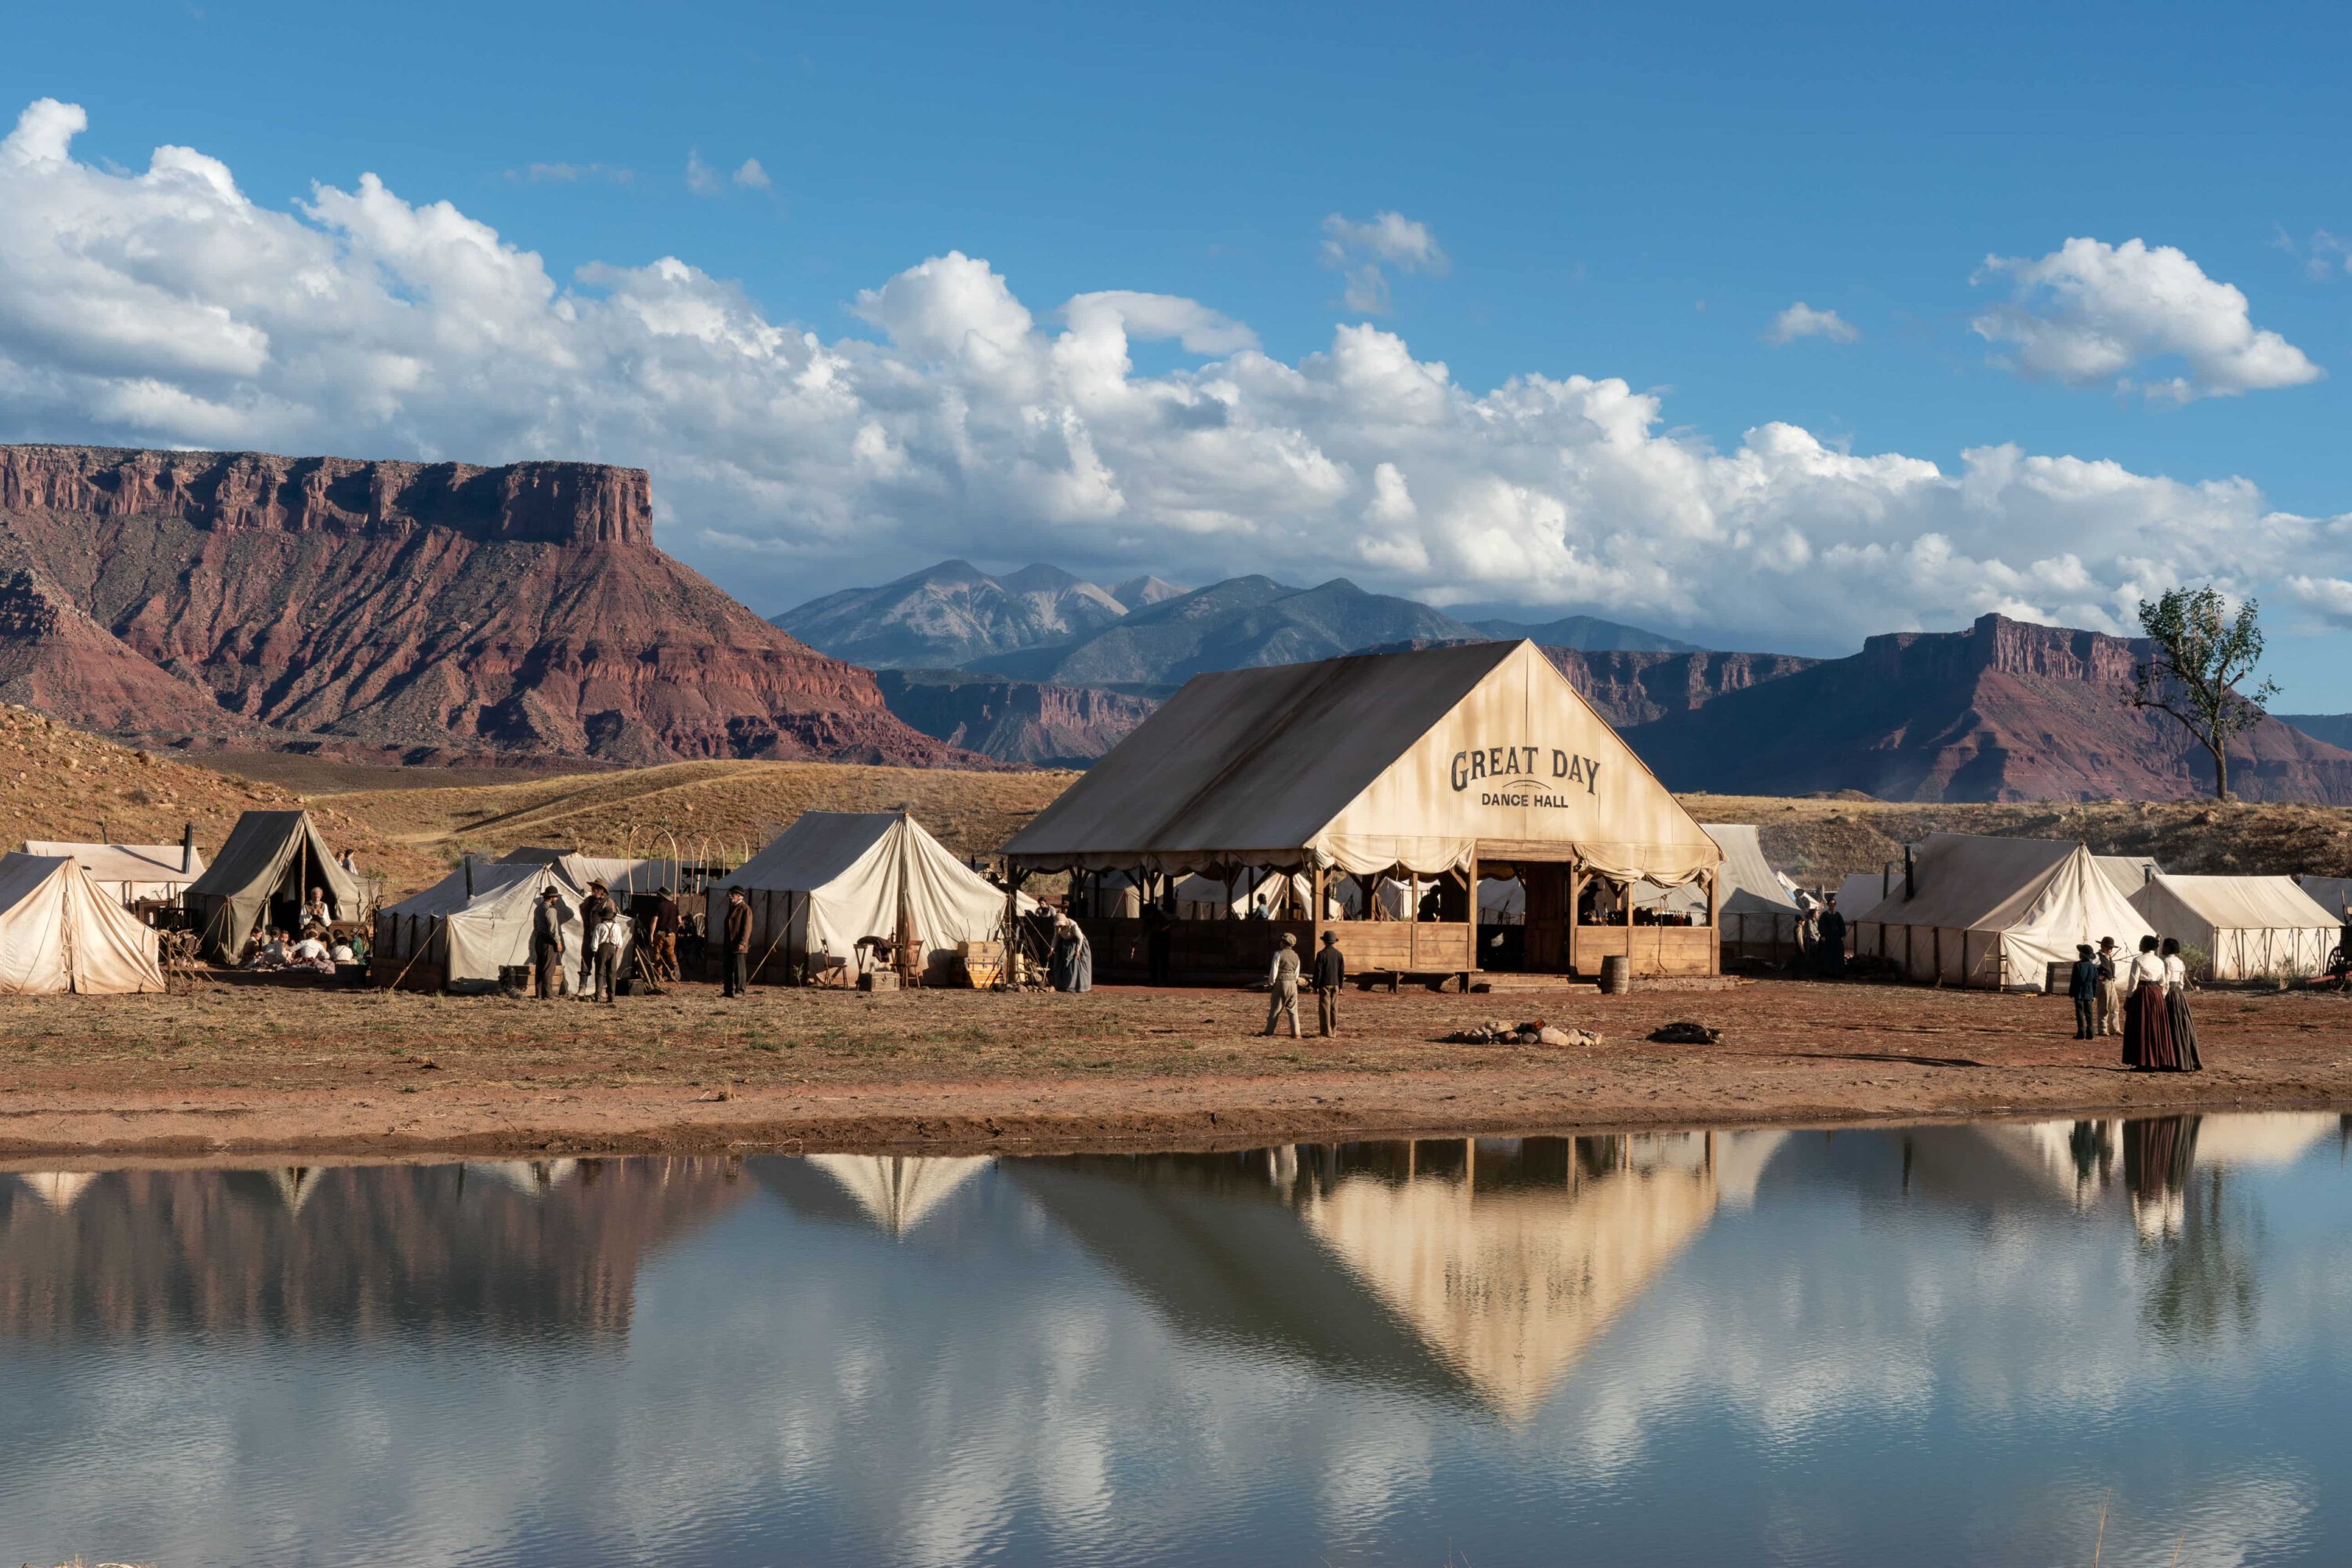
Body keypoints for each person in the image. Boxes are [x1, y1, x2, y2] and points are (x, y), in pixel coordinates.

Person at [2122, 935, 2176, 1070]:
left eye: (2141, 943)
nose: (2139, 945)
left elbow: (2133, 983)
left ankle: (2143, 1061)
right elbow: (2164, 983)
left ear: (2145, 946)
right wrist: (2160, 996)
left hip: (2142, 994)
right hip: (2156, 993)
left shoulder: (2138, 960)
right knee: (2155, 1027)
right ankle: (2157, 1060)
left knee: (2141, 1026)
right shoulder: (2159, 961)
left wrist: (2128, 999)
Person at [2161, 937, 2203, 1071]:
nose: (2162, 948)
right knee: (2182, 1024)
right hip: (2179, 994)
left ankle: (2172, 1059)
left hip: (2169, 994)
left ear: (2168, 948)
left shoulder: (2166, 961)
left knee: (2170, 1025)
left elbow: (2165, 982)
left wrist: (2162, 997)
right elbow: (2181, 982)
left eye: (2164, 946)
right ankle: (2185, 1058)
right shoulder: (2179, 962)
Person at [577, 880, 616, 998]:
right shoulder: (588, 900)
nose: (594, 891)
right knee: (585, 960)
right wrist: (586, 923)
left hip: (602, 937)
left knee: (602, 963)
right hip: (589, 935)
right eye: (593, 888)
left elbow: (612, 919)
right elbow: (582, 909)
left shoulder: (609, 902)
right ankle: (582, 988)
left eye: (596, 889)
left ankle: (602, 989)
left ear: (602, 890)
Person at [1262, 931, 1303, 1038]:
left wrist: (1271, 983)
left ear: (1284, 943)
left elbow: (1274, 970)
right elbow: (1297, 973)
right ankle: (1296, 1033)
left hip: (1281, 982)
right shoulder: (1296, 956)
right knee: (1293, 1010)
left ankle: (1269, 1031)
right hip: (1293, 983)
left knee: (1276, 1008)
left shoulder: (1278, 954)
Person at [531, 887, 566, 1000]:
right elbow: (553, 929)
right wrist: (558, 942)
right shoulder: (551, 909)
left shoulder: (539, 908)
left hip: (539, 939)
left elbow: (535, 925)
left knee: (540, 966)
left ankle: (539, 993)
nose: (557, 898)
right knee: (548, 968)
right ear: (551, 898)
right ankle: (548, 994)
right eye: (556, 897)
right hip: (548, 941)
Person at [1312, 930, 1345, 1038]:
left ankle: (1326, 1032)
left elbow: (1318, 972)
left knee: (1324, 1008)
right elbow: (1341, 972)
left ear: (1324, 942)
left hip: (1324, 984)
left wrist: (1315, 986)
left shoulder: (1321, 954)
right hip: (1335, 984)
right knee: (1334, 1008)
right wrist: (1341, 986)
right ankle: (1334, 1031)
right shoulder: (1339, 955)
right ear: (1334, 942)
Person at [1050, 914, 1093, 993]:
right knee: (1063, 964)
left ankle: (1075, 986)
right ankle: (1063, 985)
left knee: (1074, 965)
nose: (1059, 926)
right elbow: (1055, 937)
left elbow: (1080, 937)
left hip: (1076, 943)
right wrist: (1052, 949)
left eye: (1061, 925)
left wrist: (1078, 951)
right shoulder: (1057, 927)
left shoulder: (1072, 924)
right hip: (1065, 945)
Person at [722, 887, 751, 998]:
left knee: (740, 969)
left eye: (732, 894)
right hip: (730, 943)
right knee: (728, 967)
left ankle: (740, 990)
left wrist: (743, 942)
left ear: (739, 896)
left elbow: (747, 928)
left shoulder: (745, 909)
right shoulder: (733, 908)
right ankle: (728, 990)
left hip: (738, 944)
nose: (730, 896)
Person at [2067, 942, 2100, 1040]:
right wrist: (2094, 994)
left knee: (2080, 1013)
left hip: (2079, 992)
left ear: (2082, 955)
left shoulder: (2077, 965)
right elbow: (2095, 982)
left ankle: (2081, 1033)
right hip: (2089, 993)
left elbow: (2074, 980)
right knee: (2089, 1013)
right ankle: (2091, 1033)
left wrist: (2071, 992)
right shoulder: (2093, 966)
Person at [593, 908, 625, 1004]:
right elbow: (620, 943)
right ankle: (611, 996)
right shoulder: (617, 927)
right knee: (612, 973)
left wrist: (595, 950)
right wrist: (616, 950)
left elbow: (595, 941)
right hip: (612, 949)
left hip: (602, 948)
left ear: (602, 917)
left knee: (599, 973)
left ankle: (598, 996)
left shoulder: (599, 926)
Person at [651, 888, 682, 982]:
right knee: (670, 953)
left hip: (660, 934)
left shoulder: (659, 906)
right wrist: (674, 931)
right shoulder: (675, 906)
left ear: (662, 896)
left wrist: (651, 935)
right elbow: (680, 921)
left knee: (657, 954)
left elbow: (654, 921)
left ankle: (659, 975)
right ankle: (675, 964)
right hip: (671, 934)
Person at [2094, 938, 2124, 1037]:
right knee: (2103, 1007)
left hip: (2111, 982)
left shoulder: (2108, 957)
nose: (2110, 949)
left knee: (2114, 1006)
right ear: (2102, 946)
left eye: (2111, 948)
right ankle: (2103, 1029)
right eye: (2108, 947)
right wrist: (2097, 976)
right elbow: (2091, 968)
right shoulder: (2097, 957)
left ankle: (2115, 1029)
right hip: (2104, 983)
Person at [1142, 897, 1174, 986]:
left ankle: (1164, 980)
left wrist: (1164, 929)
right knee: (1153, 960)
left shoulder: (1161, 915)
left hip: (1163, 940)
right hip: (1153, 940)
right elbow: (1144, 930)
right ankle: (1154, 979)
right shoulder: (1148, 919)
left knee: (1163, 960)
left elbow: (1174, 920)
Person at [1814, 894, 1846, 979]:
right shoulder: (1825, 915)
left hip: (1836, 937)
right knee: (1827, 955)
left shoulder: (1838, 915)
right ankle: (1827, 972)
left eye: (1833, 904)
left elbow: (1841, 925)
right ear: (1828, 905)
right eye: (1831, 904)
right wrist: (1823, 935)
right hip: (1827, 937)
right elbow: (1821, 925)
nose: (1832, 906)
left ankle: (1837, 973)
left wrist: (1842, 935)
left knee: (1837, 955)